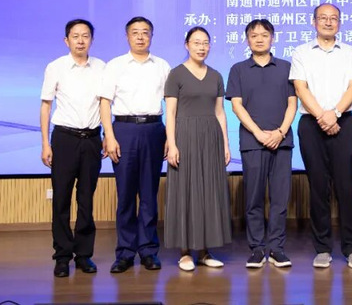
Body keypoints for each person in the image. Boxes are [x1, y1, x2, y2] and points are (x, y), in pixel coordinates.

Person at [289, 3, 352, 269]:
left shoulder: (350, 52)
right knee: (318, 188)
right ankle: (322, 248)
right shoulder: (301, 52)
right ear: (314, 22)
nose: (329, 22)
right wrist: (323, 115)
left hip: (344, 122)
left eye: (334, 18)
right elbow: (301, 88)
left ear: (339, 23)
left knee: (347, 187)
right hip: (312, 124)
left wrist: (335, 113)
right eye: (323, 18)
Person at [100, 16, 171, 273]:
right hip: (124, 130)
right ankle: (125, 252)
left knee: (150, 194)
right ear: (127, 36)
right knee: (126, 194)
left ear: (151, 36)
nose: (140, 37)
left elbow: (171, 104)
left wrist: (169, 137)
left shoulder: (162, 66)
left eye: (145, 32)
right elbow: (105, 102)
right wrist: (109, 136)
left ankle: (149, 251)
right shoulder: (115, 65)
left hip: (154, 129)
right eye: (135, 32)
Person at [226, 19, 297, 269]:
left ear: (272, 38)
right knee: (254, 199)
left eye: (264, 35)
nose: (259, 39)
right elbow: (236, 105)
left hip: (282, 142)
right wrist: (258, 133)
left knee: (279, 199)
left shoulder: (287, 67)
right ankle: (257, 248)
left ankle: (276, 248)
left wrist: (280, 132)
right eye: (254, 35)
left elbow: (293, 103)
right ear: (247, 40)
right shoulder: (238, 69)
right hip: (252, 142)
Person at [40, 19, 105, 278]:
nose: (80, 40)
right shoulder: (55, 67)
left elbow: (105, 105)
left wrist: (107, 136)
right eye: (75, 36)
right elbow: (46, 106)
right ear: (66, 40)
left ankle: (84, 255)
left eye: (85, 35)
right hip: (64, 139)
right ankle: (62, 256)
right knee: (61, 199)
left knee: (86, 199)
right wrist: (45, 143)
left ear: (91, 40)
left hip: (92, 139)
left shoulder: (101, 67)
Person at [163, 26, 232, 272]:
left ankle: (204, 251)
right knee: (185, 191)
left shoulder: (216, 75)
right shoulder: (176, 74)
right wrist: (172, 144)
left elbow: (220, 112)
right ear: (187, 45)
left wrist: (225, 144)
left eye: (205, 43)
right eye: (196, 42)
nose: (201, 47)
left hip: (211, 137)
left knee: (209, 192)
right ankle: (185, 253)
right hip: (185, 136)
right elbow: (170, 113)